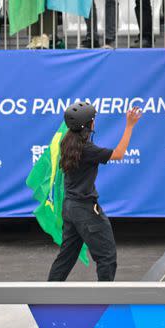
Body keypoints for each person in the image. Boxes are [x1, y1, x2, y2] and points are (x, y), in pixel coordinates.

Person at [47, 102, 143, 282]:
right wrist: (130, 125)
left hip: (70, 208)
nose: (94, 122)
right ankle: (104, 301)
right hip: (84, 210)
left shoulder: (67, 142)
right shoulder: (87, 149)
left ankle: (48, 294)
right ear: (89, 125)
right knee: (106, 256)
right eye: (93, 119)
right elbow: (118, 154)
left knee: (66, 257)